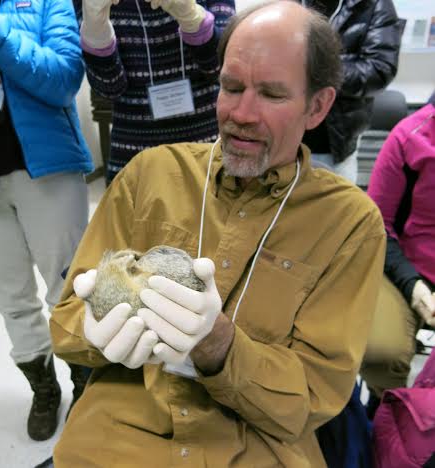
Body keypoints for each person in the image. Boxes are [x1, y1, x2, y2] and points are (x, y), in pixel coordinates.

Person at [50, 1, 386, 466]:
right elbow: (65, 324)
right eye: (231, 87)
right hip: (119, 436)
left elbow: (313, 396)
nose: (241, 113)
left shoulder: (349, 223)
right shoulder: (150, 175)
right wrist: (89, 329)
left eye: (271, 94)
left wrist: (221, 347)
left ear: (318, 106)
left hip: (254, 444)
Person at [0, 0, 93, 441]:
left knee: (70, 290)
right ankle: (43, 386)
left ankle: (88, 386)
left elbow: (63, 80)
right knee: (11, 297)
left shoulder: (47, 2)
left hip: (49, 170)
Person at [74, 0, 235, 184]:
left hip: (210, 144)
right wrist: (96, 31)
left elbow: (224, 69)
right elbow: (109, 88)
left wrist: (193, 19)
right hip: (134, 152)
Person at [360, 95, 435, 417]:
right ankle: (385, 414)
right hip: (406, 270)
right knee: (381, 352)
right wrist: (413, 285)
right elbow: (378, 225)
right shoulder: (410, 137)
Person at [300, 0, 401, 184]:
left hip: (334, 143)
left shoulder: (375, 4)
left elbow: (379, 70)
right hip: (283, 135)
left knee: (335, 207)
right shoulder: (290, 3)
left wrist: (316, 68)